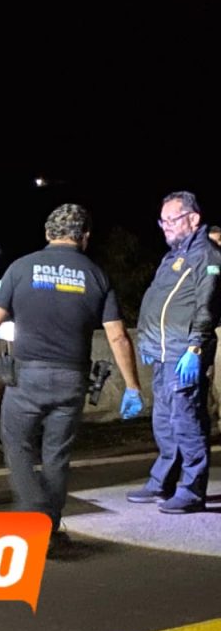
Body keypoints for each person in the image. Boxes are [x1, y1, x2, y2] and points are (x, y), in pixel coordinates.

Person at [0, 204, 144, 546]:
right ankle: (50, 523)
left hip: (27, 377)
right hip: (72, 379)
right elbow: (118, 336)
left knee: (16, 443)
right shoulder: (97, 275)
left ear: (48, 233)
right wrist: (132, 386)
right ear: (84, 237)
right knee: (56, 454)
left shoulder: (21, 268)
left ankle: (33, 513)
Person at [128, 191, 221, 514]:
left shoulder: (206, 255)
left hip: (184, 351)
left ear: (193, 219)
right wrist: (149, 342)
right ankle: (162, 481)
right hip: (164, 353)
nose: (166, 226)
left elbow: (206, 305)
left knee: (187, 421)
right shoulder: (173, 256)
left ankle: (192, 490)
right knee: (165, 421)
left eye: (172, 219)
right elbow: (160, 301)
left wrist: (195, 347)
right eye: (162, 221)